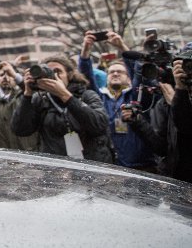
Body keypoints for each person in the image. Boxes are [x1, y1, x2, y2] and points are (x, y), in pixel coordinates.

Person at [78, 31, 156, 170]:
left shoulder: (135, 95)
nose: (115, 73)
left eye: (120, 71)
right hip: (112, 165)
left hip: (142, 165)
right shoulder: (100, 97)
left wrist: (122, 47)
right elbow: (86, 77)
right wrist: (85, 50)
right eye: (111, 72)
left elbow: (139, 72)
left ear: (128, 78)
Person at [12, 55, 112, 163]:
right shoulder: (40, 99)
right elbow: (20, 130)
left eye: (58, 71)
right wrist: (27, 94)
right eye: (49, 72)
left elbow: (99, 125)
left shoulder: (87, 95)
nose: (54, 76)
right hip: (57, 167)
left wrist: (65, 96)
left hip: (91, 164)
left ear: (69, 75)